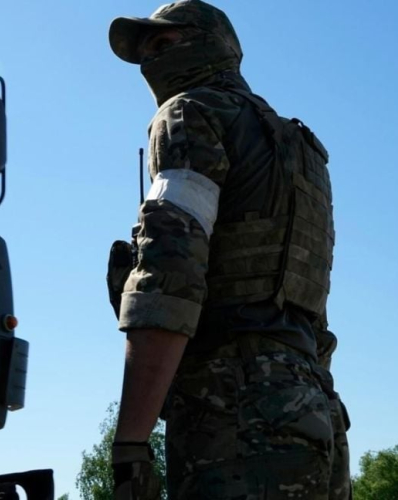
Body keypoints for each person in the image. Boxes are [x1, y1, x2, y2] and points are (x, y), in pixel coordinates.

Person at [105, 1, 351, 498]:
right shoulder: (300, 148)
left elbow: (170, 274)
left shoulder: (190, 112)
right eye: (145, 52)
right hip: (314, 406)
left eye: (163, 43)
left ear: (212, 44)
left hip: (234, 408)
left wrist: (130, 443)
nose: (151, 61)